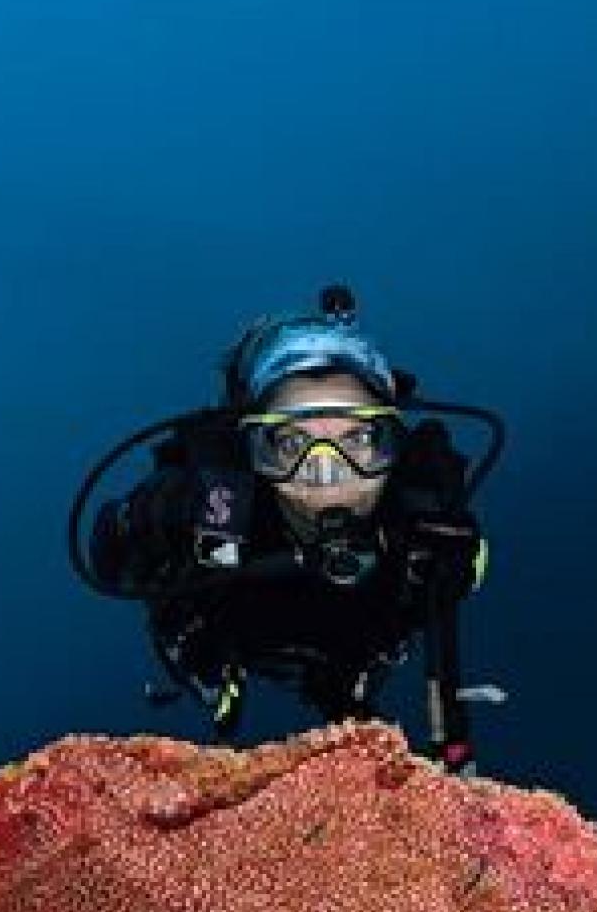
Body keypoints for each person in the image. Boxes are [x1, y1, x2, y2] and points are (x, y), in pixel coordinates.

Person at [82, 286, 494, 774]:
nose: (325, 473)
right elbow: (105, 554)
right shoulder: (215, 507)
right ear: (253, 451)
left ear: (393, 446)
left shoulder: (428, 528)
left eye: (358, 437)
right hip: (231, 632)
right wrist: (154, 516)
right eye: (291, 441)